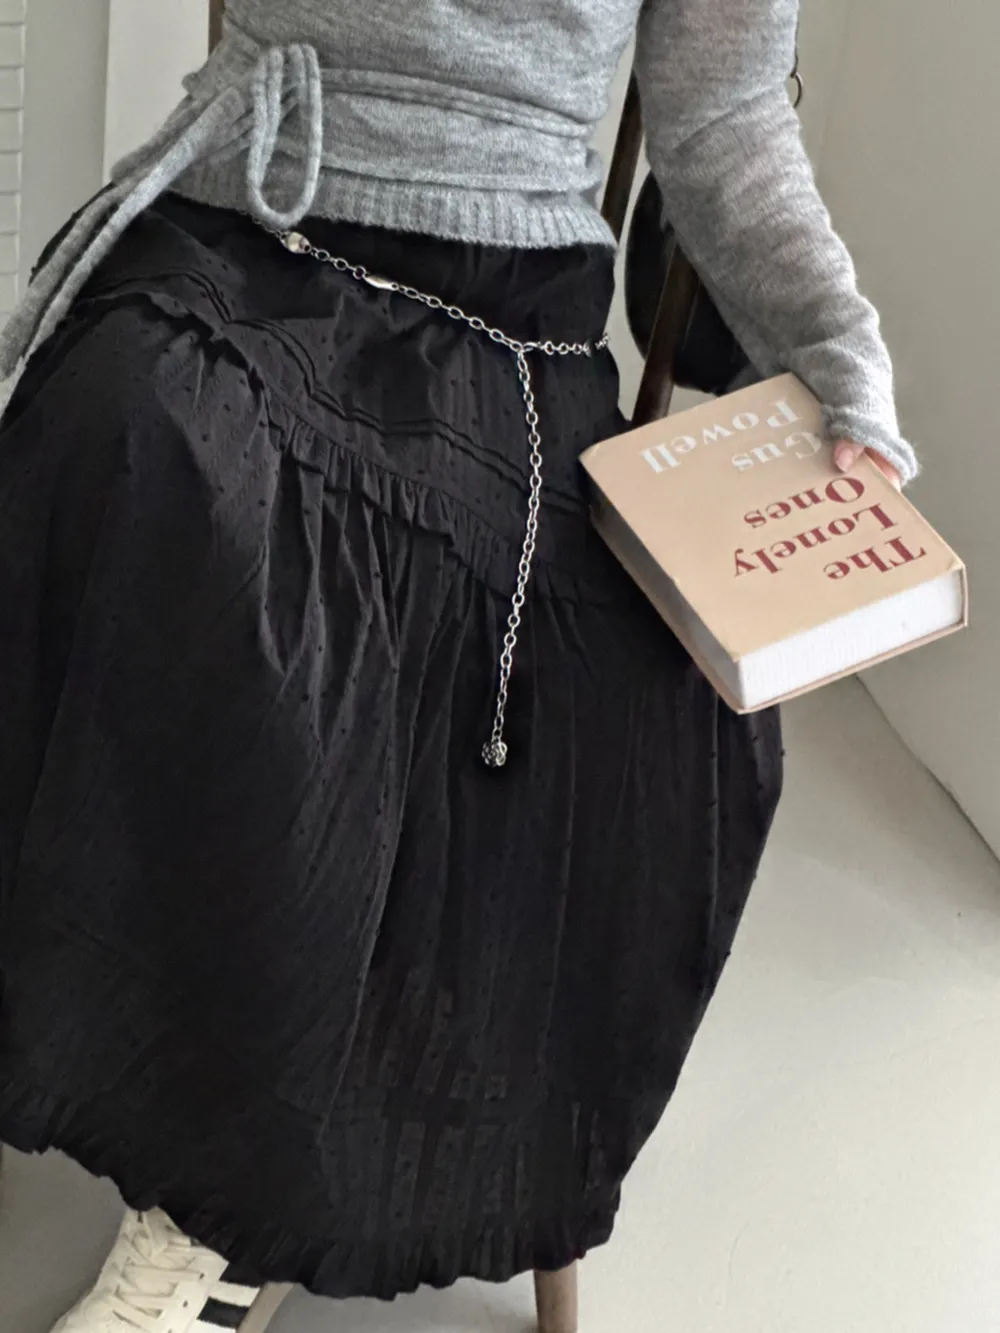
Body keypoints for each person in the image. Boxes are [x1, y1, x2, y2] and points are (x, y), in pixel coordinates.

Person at [0, 1, 916, 1330]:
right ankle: (178, 1124)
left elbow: (722, 113)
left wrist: (837, 355)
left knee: (633, 712)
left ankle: (218, 1199)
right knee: (151, 462)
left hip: (509, 319)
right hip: (256, 224)